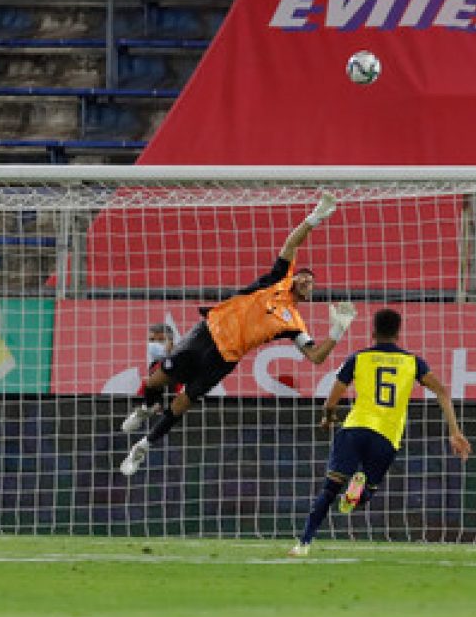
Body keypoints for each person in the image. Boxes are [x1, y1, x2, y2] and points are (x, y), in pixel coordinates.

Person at [119, 193, 354, 476]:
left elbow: (316, 357)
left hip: (224, 358)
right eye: (304, 275)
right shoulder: (277, 280)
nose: (307, 280)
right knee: (156, 380)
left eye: (312, 282)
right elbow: (292, 243)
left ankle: (142, 446)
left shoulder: (293, 322)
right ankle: (147, 407)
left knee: (182, 403)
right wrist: (315, 217)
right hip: (207, 332)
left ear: (311, 293)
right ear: (293, 277)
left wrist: (337, 331)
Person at [289, 308, 472, 557]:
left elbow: (331, 402)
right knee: (365, 496)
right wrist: (455, 431)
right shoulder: (413, 362)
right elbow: (442, 391)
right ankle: (359, 490)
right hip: (386, 436)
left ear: (372, 332)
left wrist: (328, 419)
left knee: (330, 489)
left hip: (355, 429)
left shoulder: (359, 358)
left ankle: (304, 544)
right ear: (398, 333)